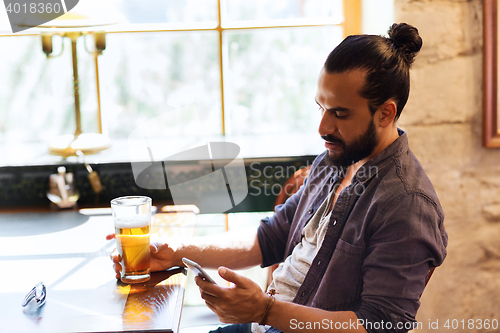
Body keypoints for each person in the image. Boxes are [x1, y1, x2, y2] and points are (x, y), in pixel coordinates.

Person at [109, 23, 448, 333]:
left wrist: (266, 310)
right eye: (321, 108)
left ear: (386, 113)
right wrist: (175, 253)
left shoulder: (407, 205)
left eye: (340, 114)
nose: (323, 128)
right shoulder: (336, 161)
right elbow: (270, 237)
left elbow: (380, 324)